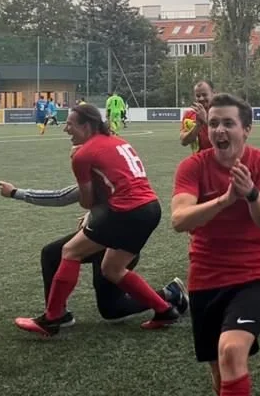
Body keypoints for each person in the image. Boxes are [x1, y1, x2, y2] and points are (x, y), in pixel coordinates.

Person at [14, 104, 180, 336]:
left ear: (86, 126)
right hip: (150, 209)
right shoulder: (117, 141)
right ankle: (165, 310)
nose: (65, 129)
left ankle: (52, 318)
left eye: (70, 124)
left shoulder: (83, 155)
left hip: (125, 210)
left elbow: (86, 201)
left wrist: (88, 194)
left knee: (70, 251)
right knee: (112, 269)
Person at [171, 93, 260, 396]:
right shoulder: (192, 166)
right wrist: (225, 200)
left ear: (246, 129)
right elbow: (179, 220)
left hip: (251, 274)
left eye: (228, 123)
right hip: (205, 277)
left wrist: (251, 194)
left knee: (231, 351)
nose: (219, 130)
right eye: (214, 123)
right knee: (220, 373)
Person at [0, 179, 188, 325]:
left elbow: (61, 196)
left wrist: (15, 192)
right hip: (105, 238)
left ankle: (169, 294)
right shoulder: (116, 171)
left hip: (118, 247)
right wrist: (93, 213)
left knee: (112, 310)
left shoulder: (102, 171)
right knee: (51, 253)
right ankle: (58, 314)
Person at [181, 80, 215, 153]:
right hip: (199, 158)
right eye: (198, 96)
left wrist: (205, 120)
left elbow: (227, 138)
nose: (201, 98)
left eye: (204, 95)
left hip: (219, 158)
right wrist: (198, 125)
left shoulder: (221, 112)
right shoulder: (189, 115)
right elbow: (184, 142)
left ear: (213, 94)